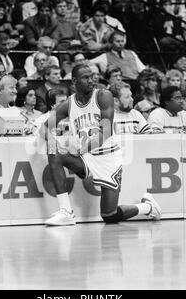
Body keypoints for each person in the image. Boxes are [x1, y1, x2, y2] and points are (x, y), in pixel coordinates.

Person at [40, 64, 161, 226]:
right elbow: (45, 127)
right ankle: (66, 212)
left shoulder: (103, 95)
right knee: (53, 152)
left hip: (109, 159)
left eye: (92, 76)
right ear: (75, 81)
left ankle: (147, 207)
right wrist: (52, 140)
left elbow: (106, 131)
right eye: (85, 77)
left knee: (109, 215)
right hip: (88, 158)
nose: (91, 80)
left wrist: (82, 149)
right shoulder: (69, 104)